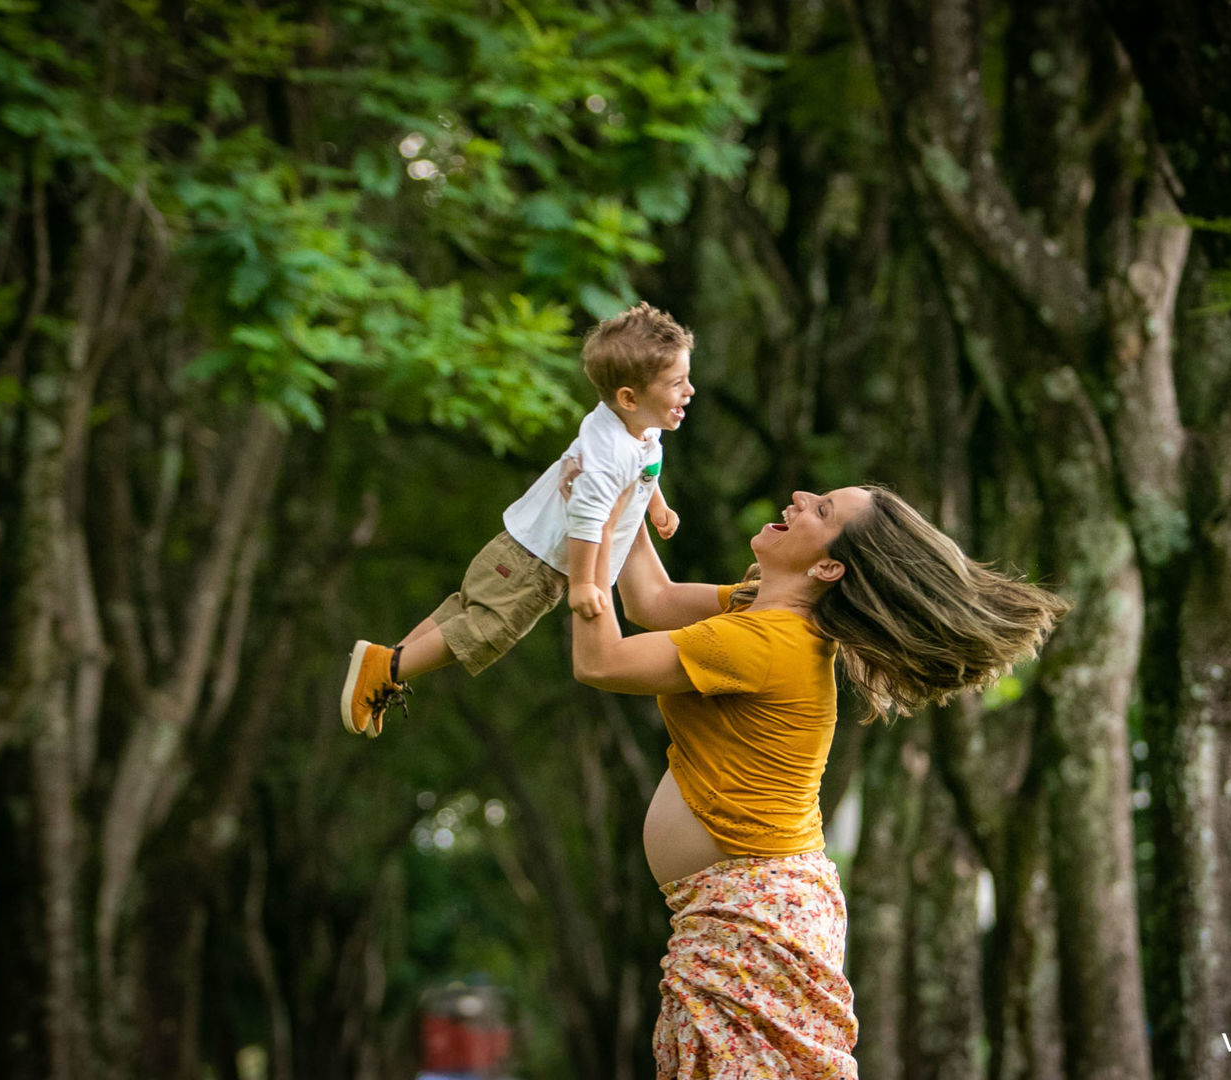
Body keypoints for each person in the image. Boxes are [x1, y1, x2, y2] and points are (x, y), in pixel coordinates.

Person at [572, 485, 1071, 1078]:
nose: (800, 497)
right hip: (748, 911)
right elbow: (651, 599)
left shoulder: (760, 644)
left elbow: (600, 662)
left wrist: (590, 535)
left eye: (822, 510)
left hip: (753, 914)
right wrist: (622, 484)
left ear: (829, 565)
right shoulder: (760, 612)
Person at [340, 301, 696, 738]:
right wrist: (585, 584)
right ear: (629, 397)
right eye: (677, 383)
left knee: (464, 613)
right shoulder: (609, 454)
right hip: (536, 561)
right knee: (488, 629)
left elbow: (645, 464)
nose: (689, 391)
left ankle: (386, 667)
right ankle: (385, 667)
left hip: (523, 548)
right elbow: (587, 521)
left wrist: (655, 505)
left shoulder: (638, 426)